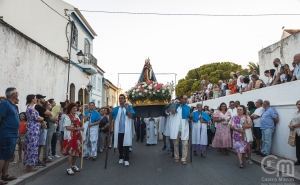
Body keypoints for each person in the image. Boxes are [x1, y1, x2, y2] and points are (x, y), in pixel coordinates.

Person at [0, 88, 20, 183]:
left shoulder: (13, 105)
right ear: (13, 94)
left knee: (8, 156)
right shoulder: (5, 103)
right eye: (16, 92)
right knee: (3, 156)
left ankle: (4, 175)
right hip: (6, 134)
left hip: (12, 134)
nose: (18, 93)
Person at [112, 94, 135, 167]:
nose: (121, 99)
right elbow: (112, 118)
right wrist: (110, 112)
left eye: (122, 98)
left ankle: (126, 159)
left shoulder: (129, 107)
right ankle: (121, 157)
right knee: (120, 144)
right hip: (119, 130)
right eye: (120, 98)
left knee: (126, 144)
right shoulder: (116, 109)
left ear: (125, 99)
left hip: (126, 129)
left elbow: (130, 116)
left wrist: (127, 108)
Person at [23, 94, 44, 172]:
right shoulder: (31, 108)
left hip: (32, 128)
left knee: (30, 146)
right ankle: (31, 164)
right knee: (32, 147)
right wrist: (42, 118)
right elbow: (36, 118)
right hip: (33, 128)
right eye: (35, 98)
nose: (36, 99)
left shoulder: (29, 108)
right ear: (32, 99)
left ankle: (29, 164)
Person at [62, 103, 83, 175]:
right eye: (74, 108)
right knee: (71, 152)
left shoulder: (77, 116)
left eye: (76, 108)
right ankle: (68, 168)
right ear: (70, 109)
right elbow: (67, 127)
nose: (75, 109)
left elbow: (79, 123)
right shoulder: (67, 117)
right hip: (71, 136)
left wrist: (84, 118)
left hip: (77, 135)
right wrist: (78, 128)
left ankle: (73, 165)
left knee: (76, 152)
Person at [170, 95, 190, 165]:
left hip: (184, 127)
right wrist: (175, 104)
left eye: (186, 99)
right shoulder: (175, 105)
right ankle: (176, 157)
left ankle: (184, 158)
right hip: (177, 127)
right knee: (176, 143)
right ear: (181, 99)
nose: (186, 100)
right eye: (184, 99)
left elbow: (189, 116)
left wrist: (191, 116)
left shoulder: (188, 107)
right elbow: (172, 112)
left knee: (185, 144)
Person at [35, 94, 52, 165]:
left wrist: (47, 114)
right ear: (39, 99)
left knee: (40, 144)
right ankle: (37, 160)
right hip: (41, 127)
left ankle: (37, 159)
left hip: (43, 127)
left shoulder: (40, 107)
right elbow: (50, 113)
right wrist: (47, 114)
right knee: (39, 144)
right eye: (42, 98)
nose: (44, 100)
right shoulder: (38, 107)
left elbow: (48, 114)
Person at [288, 100, 300, 165]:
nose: (298, 105)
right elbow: (292, 120)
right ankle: (298, 159)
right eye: (297, 104)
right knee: (298, 146)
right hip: (295, 131)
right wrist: (289, 125)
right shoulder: (296, 112)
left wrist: (293, 126)